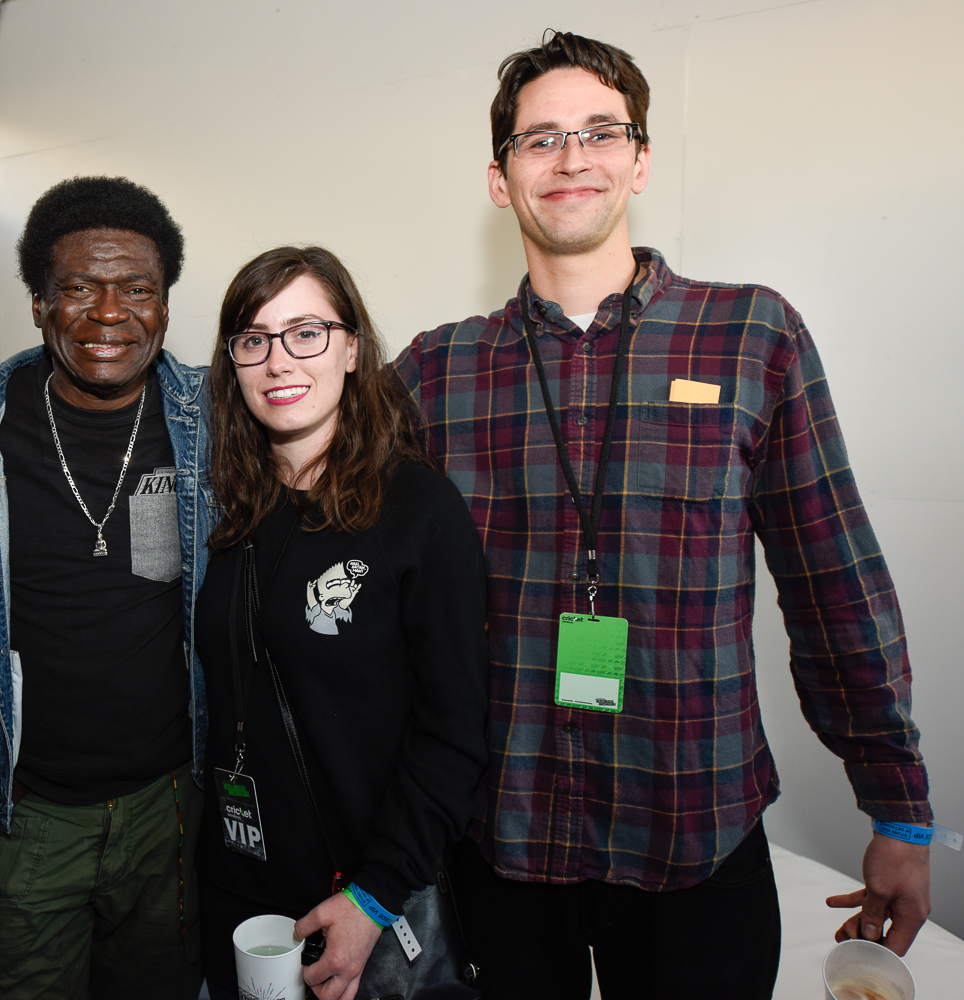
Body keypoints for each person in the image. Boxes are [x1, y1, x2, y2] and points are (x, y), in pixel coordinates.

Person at [393, 30, 933, 999]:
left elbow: (831, 582)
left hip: (693, 832)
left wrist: (895, 807)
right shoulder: (437, 371)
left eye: (599, 132)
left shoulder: (749, 336)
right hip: (502, 841)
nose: (570, 159)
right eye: (539, 139)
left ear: (638, 160)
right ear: (497, 177)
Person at [0, 175, 210, 999]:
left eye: (136, 290)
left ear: (163, 303)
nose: (109, 313)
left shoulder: (210, 418)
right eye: (78, 288)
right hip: (27, 807)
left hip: (171, 803)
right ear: (40, 303)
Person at [195, 246, 488, 1000]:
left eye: (306, 332)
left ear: (352, 349)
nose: (277, 360)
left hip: (365, 900)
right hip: (241, 891)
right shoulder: (232, 515)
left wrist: (374, 895)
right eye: (253, 340)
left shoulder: (417, 510)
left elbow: (454, 732)